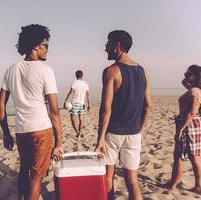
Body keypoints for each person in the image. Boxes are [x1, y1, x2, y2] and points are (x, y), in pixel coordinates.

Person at [0, 24, 63, 200]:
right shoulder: (45, 70)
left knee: (24, 169)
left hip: (21, 130)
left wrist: (5, 133)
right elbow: (54, 110)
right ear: (36, 45)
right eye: (46, 46)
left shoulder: (11, 69)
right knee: (37, 177)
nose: (48, 50)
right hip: (41, 129)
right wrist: (59, 142)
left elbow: (1, 105)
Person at [95, 30, 152, 200]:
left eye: (108, 43)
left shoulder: (111, 71)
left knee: (107, 176)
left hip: (113, 133)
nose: (105, 47)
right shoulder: (142, 71)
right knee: (132, 180)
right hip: (134, 134)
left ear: (117, 45)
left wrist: (100, 138)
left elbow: (106, 109)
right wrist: (141, 130)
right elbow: (149, 106)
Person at [165, 65, 201, 194]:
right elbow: (183, 81)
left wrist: (180, 129)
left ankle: (174, 184)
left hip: (188, 124)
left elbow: (191, 112)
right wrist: (189, 76)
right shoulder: (195, 89)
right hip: (193, 124)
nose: (185, 75)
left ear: (196, 76)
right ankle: (197, 186)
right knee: (193, 156)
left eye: (188, 73)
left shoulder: (194, 92)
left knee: (180, 156)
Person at [63, 70, 91, 140]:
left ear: (76, 76)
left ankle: (78, 133)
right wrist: (89, 105)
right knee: (81, 119)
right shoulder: (86, 84)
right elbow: (88, 95)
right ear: (82, 76)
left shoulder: (74, 82)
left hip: (75, 102)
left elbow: (70, 92)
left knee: (73, 119)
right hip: (82, 103)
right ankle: (79, 133)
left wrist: (65, 101)